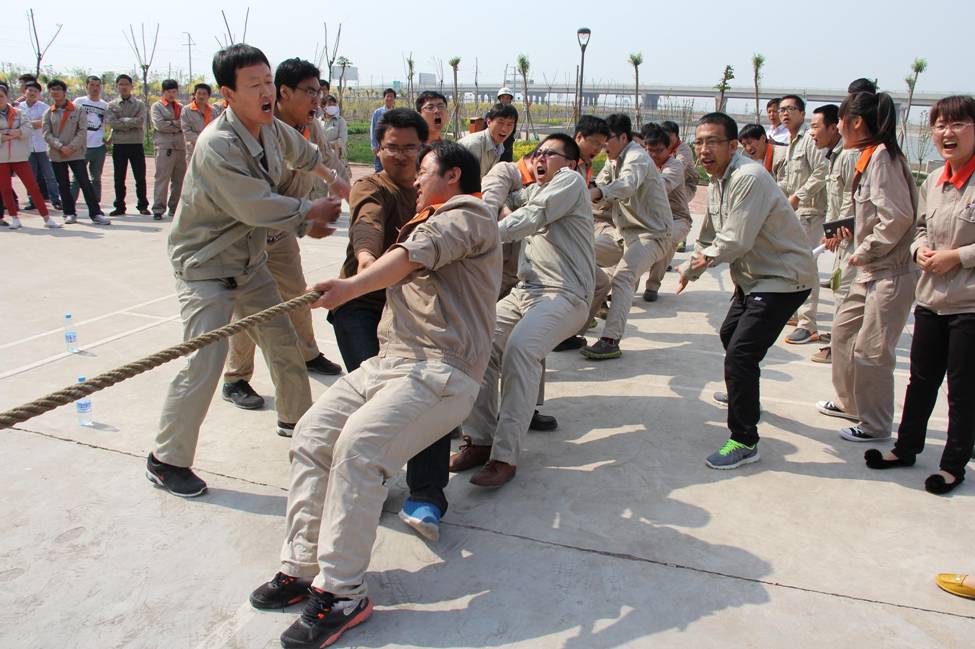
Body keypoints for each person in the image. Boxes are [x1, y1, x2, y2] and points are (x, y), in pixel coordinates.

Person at [250, 141, 500, 649]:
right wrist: (361, 266)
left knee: (359, 450)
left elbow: (409, 256)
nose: (417, 179)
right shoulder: (423, 217)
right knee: (313, 436)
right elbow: (376, 228)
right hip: (391, 361)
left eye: (424, 169)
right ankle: (301, 566)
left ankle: (342, 593)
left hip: (442, 369)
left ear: (453, 175)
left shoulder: (469, 214)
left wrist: (350, 287)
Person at [147, 44, 344, 498]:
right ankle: (166, 459)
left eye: (268, 81)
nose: (266, 92)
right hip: (205, 268)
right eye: (254, 85)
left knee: (284, 343)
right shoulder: (217, 144)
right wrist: (307, 214)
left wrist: (338, 183)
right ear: (228, 94)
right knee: (204, 361)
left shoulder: (270, 128)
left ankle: (298, 426)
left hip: (250, 263)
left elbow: (305, 153)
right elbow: (253, 205)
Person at [450, 133, 595, 487]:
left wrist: (479, 235)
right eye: (537, 153)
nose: (540, 158)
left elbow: (531, 216)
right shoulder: (536, 190)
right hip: (525, 291)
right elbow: (505, 190)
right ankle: (480, 441)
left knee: (521, 350)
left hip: (565, 293)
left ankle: (505, 456)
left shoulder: (571, 181)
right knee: (478, 344)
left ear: (572, 163)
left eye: (550, 154)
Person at [678, 112, 816, 469]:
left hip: (783, 278)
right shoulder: (719, 179)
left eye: (713, 142)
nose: (704, 150)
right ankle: (745, 395)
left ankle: (744, 439)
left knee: (740, 354)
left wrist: (697, 265)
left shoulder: (748, 177)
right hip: (754, 278)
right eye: (699, 142)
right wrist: (692, 268)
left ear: (733, 145)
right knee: (731, 337)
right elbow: (709, 234)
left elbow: (735, 240)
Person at [221, 57, 347, 413]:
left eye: (319, 93)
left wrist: (351, 191)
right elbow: (257, 200)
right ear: (285, 93)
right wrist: (307, 216)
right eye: (309, 92)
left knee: (297, 294)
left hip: (285, 234)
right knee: (250, 310)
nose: (317, 101)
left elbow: (329, 165)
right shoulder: (257, 130)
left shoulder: (311, 129)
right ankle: (236, 377)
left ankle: (308, 353)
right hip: (249, 237)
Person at [863, 95, 975, 495]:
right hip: (930, 299)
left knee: (962, 389)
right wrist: (919, 250)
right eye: (940, 125)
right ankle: (905, 448)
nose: (947, 133)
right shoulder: (934, 181)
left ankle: (953, 465)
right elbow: (920, 227)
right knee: (921, 380)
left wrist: (956, 257)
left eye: (957, 124)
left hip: (969, 304)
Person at [819, 90, 918, 443]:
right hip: (869, 270)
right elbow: (874, 213)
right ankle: (849, 403)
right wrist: (852, 231)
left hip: (890, 271)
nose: (837, 127)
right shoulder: (868, 156)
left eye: (840, 120)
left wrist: (865, 248)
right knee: (843, 332)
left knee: (873, 351)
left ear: (856, 122)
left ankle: (875, 425)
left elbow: (897, 218)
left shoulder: (883, 159)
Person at [582, 113, 672, 360]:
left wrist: (596, 193)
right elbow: (599, 184)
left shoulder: (637, 158)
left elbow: (626, 185)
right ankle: (578, 324)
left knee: (623, 278)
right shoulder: (613, 160)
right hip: (624, 233)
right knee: (580, 253)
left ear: (623, 137)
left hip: (652, 235)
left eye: (607, 139)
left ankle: (610, 340)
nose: (602, 145)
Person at [807, 104, 857, 364]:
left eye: (815, 126)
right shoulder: (834, 155)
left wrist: (835, 230)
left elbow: (850, 197)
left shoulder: (848, 156)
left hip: (849, 237)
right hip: (841, 235)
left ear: (833, 127)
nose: (811, 132)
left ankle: (841, 349)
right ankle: (840, 342)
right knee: (841, 288)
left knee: (845, 293)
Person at [777, 94, 828, 345]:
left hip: (810, 212)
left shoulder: (808, 140)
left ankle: (808, 324)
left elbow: (822, 170)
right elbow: (789, 180)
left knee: (806, 266)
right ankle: (797, 313)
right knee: (795, 264)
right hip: (796, 213)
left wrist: (799, 196)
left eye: (790, 109)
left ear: (802, 113)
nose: (784, 114)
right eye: (781, 110)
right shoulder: (792, 142)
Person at [42, 79, 109, 225]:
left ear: (64, 92)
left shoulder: (78, 109)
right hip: (57, 154)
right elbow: (46, 134)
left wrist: (70, 147)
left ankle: (96, 213)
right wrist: (60, 147)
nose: (55, 92)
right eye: (52, 89)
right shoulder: (48, 113)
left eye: (58, 89)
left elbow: (82, 131)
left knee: (85, 182)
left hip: (76, 153)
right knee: (63, 184)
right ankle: (69, 213)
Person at [640, 123, 692, 302]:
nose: (654, 155)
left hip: (677, 218)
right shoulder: (642, 163)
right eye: (650, 150)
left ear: (669, 150)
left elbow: (661, 186)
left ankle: (653, 285)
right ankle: (627, 285)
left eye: (659, 151)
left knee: (666, 239)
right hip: (651, 218)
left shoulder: (675, 165)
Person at [0, 84, 60, 229]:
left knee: (33, 187)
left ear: (7, 96)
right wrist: (12, 134)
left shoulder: (19, 113)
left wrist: (11, 133)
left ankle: (47, 218)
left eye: (1, 96)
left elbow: (27, 129)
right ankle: (14, 218)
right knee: (5, 189)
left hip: (20, 156)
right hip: (1, 158)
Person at [107, 74, 150, 216]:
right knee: (119, 177)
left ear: (131, 86)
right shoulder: (112, 105)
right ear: (117, 86)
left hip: (136, 143)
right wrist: (130, 122)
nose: (124, 87)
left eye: (126, 84)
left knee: (140, 176)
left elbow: (140, 121)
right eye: (121, 84)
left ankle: (142, 205)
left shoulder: (139, 104)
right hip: (119, 144)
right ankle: (119, 206)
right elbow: (113, 123)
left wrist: (123, 121)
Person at [21, 81, 61, 210]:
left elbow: (45, 123)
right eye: (30, 90)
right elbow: (18, 125)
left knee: (50, 176)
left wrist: (26, 125)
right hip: (26, 147)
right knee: (30, 177)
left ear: (39, 94)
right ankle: (33, 201)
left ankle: (55, 200)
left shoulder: (45, 108)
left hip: (43, 146)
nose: (32, 93)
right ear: (25, 92)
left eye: (35, 91)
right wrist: (32, 124)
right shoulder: (18, 108)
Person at [150, 79, 187, 220]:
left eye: (174, 91)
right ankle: (158, 209)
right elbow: (160, 125)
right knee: (162, 178)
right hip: (164, 147)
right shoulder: (157, 107)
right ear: (163, 92)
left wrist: (172, 123)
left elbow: (185, 124)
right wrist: (177, 125)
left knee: (179, 179)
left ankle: (175, 207)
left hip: (180, 146)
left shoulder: (181, 107)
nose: (172, 94)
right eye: (169, 92)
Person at [70, 75, 108, 205]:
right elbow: (71, 120)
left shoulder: (104, 105)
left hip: (98, 146)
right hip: (81, 146)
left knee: (96, 177)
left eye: (97, 85)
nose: (95, 88)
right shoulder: (79, 101)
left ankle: (95, 203)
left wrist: (109, 138)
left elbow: (110, 123)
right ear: (86, 86)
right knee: (77, 177)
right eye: (92, 85)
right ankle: (70, 203)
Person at [458, 102, 517, 177]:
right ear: (489, 122)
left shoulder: (499, 146)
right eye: (500, 123)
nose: (504, 129)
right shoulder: (473, 145)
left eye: (510, 124)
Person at [181, 82, 223, 164]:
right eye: (199, 93)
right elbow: (186, 131)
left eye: (204, 94)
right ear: (194, 95)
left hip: (210, 150)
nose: (201, 96)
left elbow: (217, 129)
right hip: (194, 149)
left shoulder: (213, 111)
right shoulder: (186, 110)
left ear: (208, 96)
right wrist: (203, 141)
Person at [320, 94, 349, 182]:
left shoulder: (340, 121)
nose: (332, 106)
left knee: (337, 184)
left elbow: (342, 140)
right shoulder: (318, 121)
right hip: (321, 160)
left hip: (337, 159)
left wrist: (326, 145)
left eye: (334, 104)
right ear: (323, 107)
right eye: (329, 104)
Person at [369, 88, 396, 172]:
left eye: (391, 96)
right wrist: (374, 146)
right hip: (380, 147)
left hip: (393, 148)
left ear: (394, 99)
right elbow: (373, 129)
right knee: (379, 171)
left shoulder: (397, 113)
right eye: (387, 96)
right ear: (384, 98)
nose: (389, 98)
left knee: (392, 171)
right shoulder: (378, 113)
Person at [493, 87, 518, 162]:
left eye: (507, 98)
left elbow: (513, 128)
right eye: (503, 98)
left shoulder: (513, 112)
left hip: (507, 144)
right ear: (499, 99)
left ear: (510, 100)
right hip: (495, 144)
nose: (505, 100)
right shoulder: (495, 110)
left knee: (506, 165)